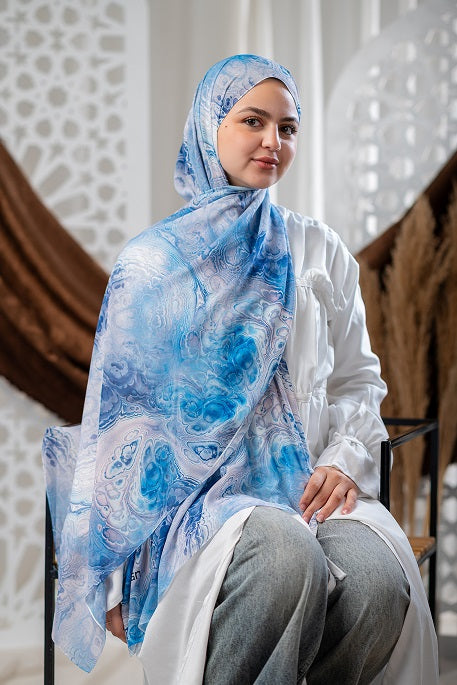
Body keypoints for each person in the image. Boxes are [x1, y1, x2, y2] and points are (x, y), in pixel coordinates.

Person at [43, 54, 438, 684]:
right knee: (283, 557)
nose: (272, 141)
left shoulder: (319, 249)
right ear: (210, 125)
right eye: (253, 120)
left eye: (288, 127)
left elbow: (359, 381)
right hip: (194, 504)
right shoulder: (152, 264)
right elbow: (122, 423)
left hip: (311, 484)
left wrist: (345, 457)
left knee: (377, 581)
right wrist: (115, 572)